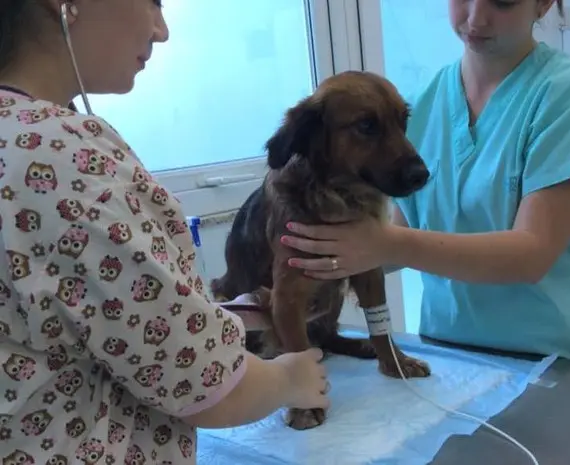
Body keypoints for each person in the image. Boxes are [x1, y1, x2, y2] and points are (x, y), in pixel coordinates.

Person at [0, 1, 328, 464]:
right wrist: (290, 379)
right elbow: (201, 382)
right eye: (153, 1)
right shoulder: (63, 158)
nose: (162, 30)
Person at [281, 0, 570, 368]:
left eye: (502, 1)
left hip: (562, 362)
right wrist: (308, 263)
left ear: (543, 4)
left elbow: (531, 255)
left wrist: (381, 244)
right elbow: (397, 239)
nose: (475, 18)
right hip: (450, 356)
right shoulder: (422, 103)